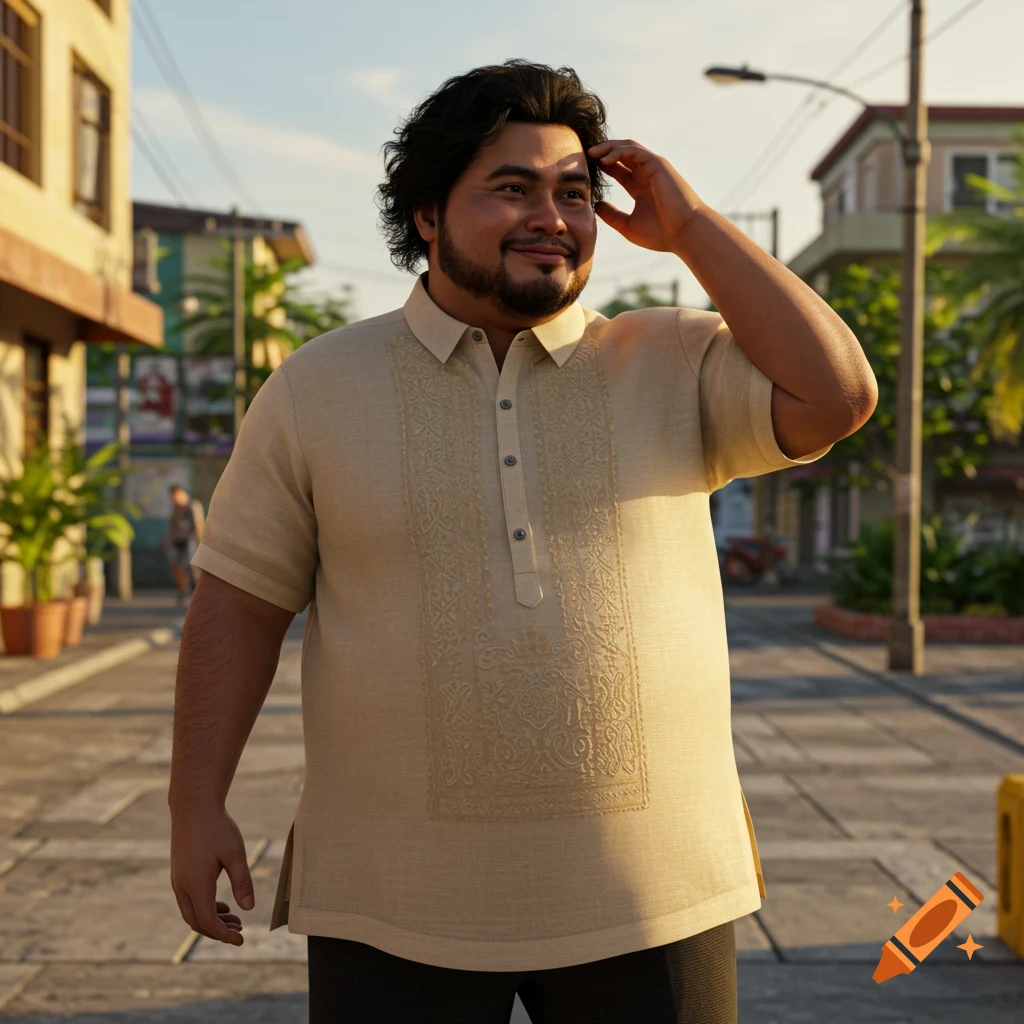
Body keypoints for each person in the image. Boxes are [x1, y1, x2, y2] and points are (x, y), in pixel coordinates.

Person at [169, 60, 877, 1023]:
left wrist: (693, 228)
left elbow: (838, 397)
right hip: (391, 900)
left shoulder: (669, 357)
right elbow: (239, 603)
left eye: (574, 192)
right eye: (513, 188)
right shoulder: (316, 385)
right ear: (426, 213)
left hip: (653, 895)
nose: (553, 215)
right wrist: (193, 803)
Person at [163, 484, 204, 605]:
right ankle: (182, 590)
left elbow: (198, 524)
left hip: (190, 540)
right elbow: (172, 526)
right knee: (176, 565)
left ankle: (195, 590)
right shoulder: (175, 508)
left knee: (190, 566)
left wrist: (200, 542)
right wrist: (168, 541)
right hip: (177, 541)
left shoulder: (193, 506)